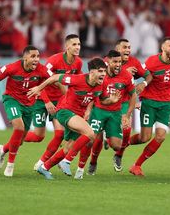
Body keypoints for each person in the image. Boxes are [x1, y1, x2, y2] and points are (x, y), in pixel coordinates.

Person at [27, 57, 115, 180]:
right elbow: (55, 77)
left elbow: (102, 100)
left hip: (78, 116)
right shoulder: (77, 79)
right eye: (100, 71)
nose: (103, 74)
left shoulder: (101, 85)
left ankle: (45, 167)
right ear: (92, 72)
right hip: (64, 112)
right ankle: (66, 162)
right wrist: (39, 88)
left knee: (68, 148)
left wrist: (111, 100)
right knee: (90, 133)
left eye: (104, 71)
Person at [0, 45, 53, 177]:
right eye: (33, 56)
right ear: (24, 57)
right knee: (19, 127)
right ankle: (10, 165)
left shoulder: (41, 70)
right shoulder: (11, 68)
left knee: (19, 140)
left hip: (29, 104)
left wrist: (47, 93)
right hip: (12, 100)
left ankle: (3, 149)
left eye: (38, 56)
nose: (36, 59)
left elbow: (55, 79)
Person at [75, 50, 136, 179]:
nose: (118, 64)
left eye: (120, 62)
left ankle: (105, 138)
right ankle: (83, 167)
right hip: (99, 111)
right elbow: (92, 93)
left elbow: (133, 96)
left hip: (115, 113)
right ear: (107, 62)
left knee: (116, 145)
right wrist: (88, 110)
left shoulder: (127, 76)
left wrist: (127, 115)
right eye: (115, 62)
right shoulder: (100, 74)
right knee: (89, 140)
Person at [24, 34, 82, 170]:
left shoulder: (78, 63)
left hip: (59, 102)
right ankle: (18, 136)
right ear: (66, 47)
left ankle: (41, 162)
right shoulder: (54, 61)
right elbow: (40, 81)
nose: (77, 47)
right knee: (38, 136)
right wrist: (47, 101)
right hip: (42, 100)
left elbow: (76, 82)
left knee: (60, 134)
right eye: (74, 44)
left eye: (79, 44)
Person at [129, 37, 170, 176]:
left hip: (167, 104)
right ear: (163, 48)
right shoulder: (151, 62)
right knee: (144, 138)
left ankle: (137, 165)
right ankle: (123, 143)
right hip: (150, 102)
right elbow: (141, 76)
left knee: (160, 137)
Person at [111, 39, 153, 172]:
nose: (128, 50)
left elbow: (149, 75)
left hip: (125, 102)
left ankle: (119, 155)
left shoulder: (134, 62)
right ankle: (91, 163)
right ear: (117, 49)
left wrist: (143, 84)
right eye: (125, 47)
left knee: (126, 131)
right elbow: (103, 78)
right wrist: (124, 71)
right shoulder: (108, 60)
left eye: (129, 47)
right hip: (107, 101)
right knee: (96, 137)